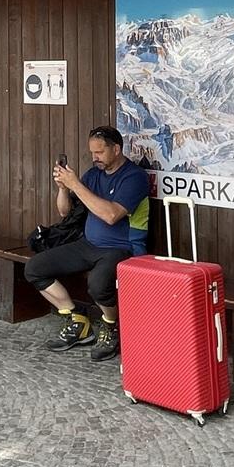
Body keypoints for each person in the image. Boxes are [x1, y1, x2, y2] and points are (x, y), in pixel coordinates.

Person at [23, 125, 150, 362]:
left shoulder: (135, 177)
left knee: (98, 284)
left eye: (100, 152)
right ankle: (78, 320)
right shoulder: (93, 174)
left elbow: (111, 215)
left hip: (122, 248)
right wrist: (63, 189)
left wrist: (76, 185)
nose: (95, 158)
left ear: (116, 149)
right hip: (88, 244)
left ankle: (111, 325)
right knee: (34, 268)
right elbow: (65, 212)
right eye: (92, 153)